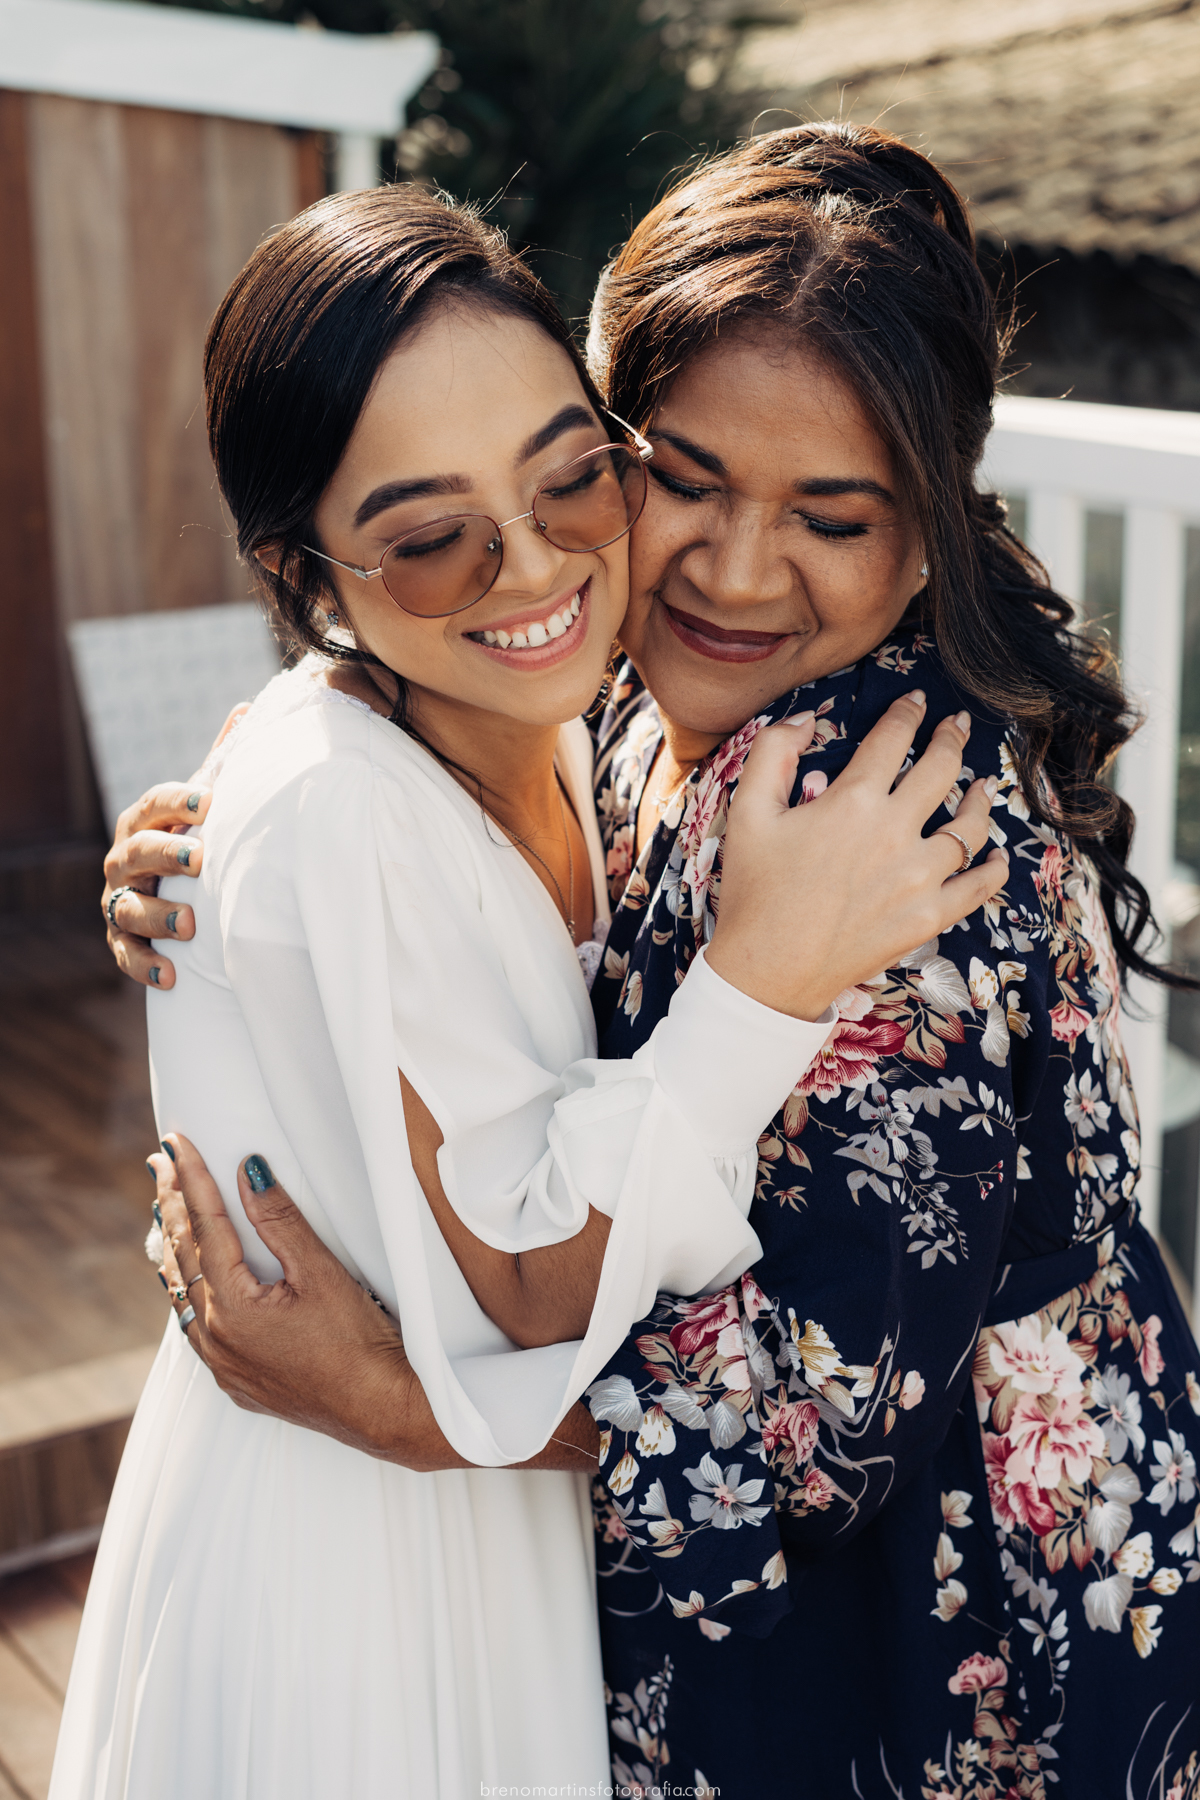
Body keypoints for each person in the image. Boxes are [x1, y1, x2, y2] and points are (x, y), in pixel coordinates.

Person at [104, 124, 1200, 1797]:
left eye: (833, 513)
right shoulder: (631, 692)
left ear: (926, 533)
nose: (736, 571)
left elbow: (806, 1434)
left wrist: (393, 1401)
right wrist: (248, 837)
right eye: (680, 476)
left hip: (942, 1640)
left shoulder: (883, 820)